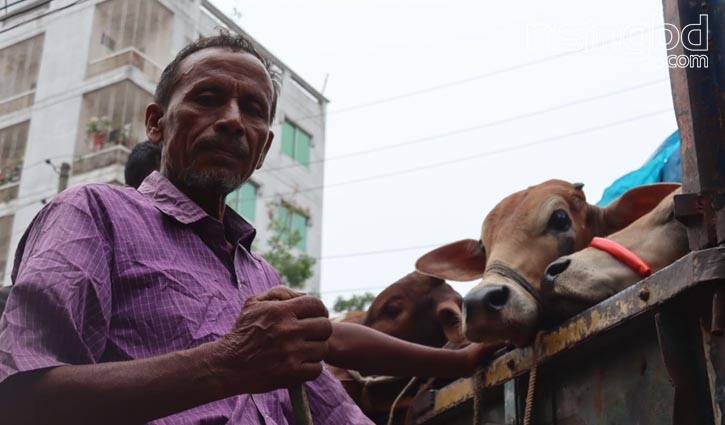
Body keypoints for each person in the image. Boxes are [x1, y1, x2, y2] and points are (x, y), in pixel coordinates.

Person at [0, 32, 489, 424]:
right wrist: (227, 363)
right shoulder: (92, 213)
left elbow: (331, 383)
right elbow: (20, 401)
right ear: (156, 124)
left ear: (263, 146)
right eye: (208, 98)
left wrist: (464, 361)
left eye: (253, 110)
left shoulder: (261, 277)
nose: (233, 121)